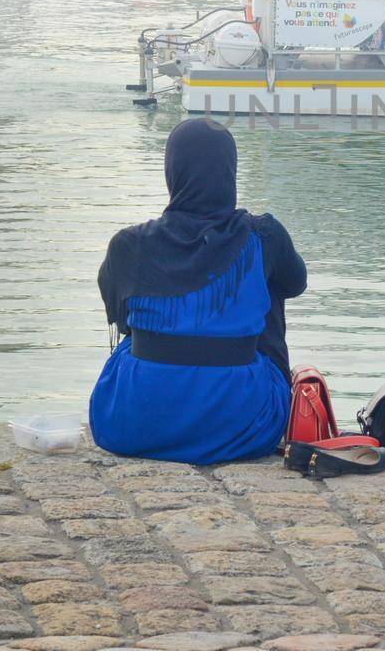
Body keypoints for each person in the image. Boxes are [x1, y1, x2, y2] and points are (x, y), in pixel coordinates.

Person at [90, 119, 307, 464]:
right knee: (267, 284)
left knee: (143, 332)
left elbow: (120, 318)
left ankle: (166, 394)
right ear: (230, 170)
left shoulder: (128, 245)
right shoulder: (264, 234)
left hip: (133, 424)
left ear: (172, 171)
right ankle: (232, 386)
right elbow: (296, 283)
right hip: (243, 425)